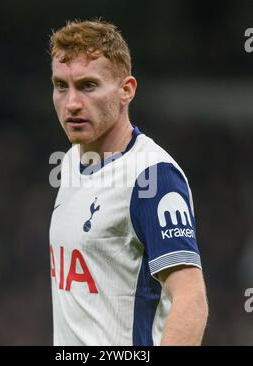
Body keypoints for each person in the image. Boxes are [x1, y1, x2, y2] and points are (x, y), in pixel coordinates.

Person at [48, 19, 208, 346]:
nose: (72, 102)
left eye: (88, 85)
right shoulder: (71, 160)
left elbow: (191, 299)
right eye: (61, 86)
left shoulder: (152, 176)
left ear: (126, 90)